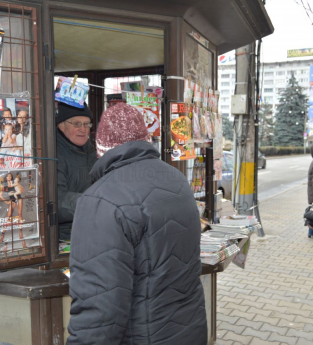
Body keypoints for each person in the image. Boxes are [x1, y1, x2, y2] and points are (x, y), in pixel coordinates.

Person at [67, 103, 207, 344]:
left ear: (101, 148)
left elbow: (99, 307)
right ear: (145, 139)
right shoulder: (176, 178)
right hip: (188, 330)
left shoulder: (101, 199)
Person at [56, 102, 97, 241]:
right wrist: (94, 204)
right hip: (65, 236)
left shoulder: (90, 150)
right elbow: (56, 199)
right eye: (76, 124)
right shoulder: (53, 154)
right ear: (61, 125)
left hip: (91, 229)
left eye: (87, 124)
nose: (83, 129)